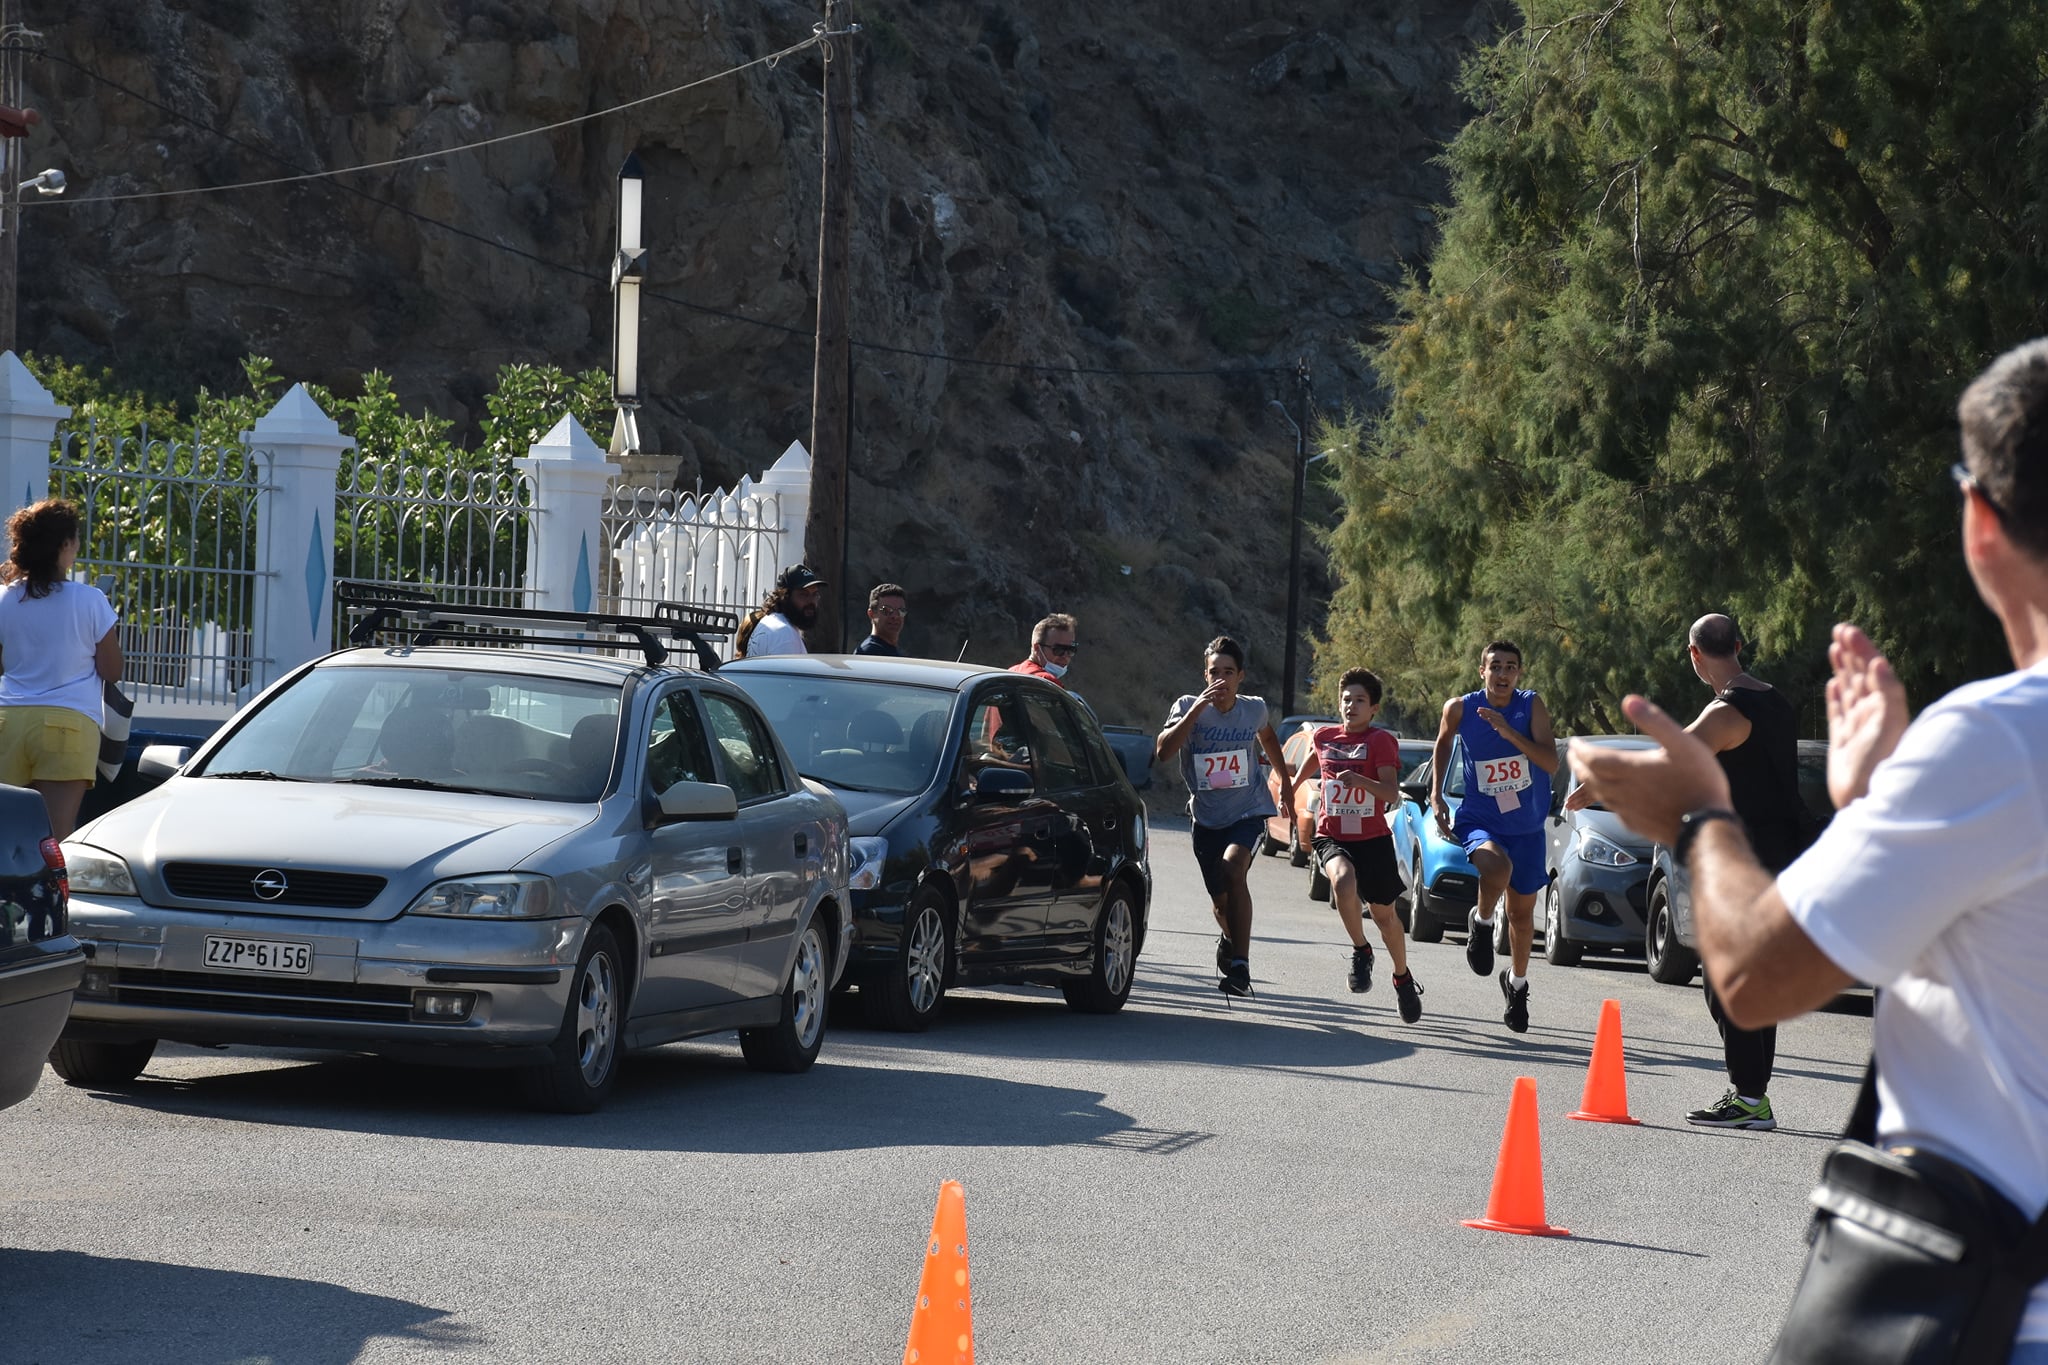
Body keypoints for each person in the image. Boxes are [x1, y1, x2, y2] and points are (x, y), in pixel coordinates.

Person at [1568, 337, 2048, 1361]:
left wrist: (1699, 815)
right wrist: (1873, 802)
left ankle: (1745, 1095)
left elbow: (1755, 977)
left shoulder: (2000, 742)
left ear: (1978, 520)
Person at [1673, 613, 1813, 1129]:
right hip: (1781, 856)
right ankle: (1752, 1095)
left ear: (1695, 655)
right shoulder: (1777, 702)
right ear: (1738, 644)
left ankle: (1750, 1096)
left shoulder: (1727, 712)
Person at [1429, 639, 1559, 1033]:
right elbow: (1443, 742)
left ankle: (1516, 984)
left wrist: (1508, 732)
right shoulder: (1460, 708)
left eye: (1510, 667)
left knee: (1521, 915)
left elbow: (1550, 762)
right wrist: (1436, 794)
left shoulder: (1530, 705)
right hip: (1481, 817)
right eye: (1495, 666)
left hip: (1527, 826)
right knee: (1496, 867)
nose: (1503, 674)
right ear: (1482, 670)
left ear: (1519, 673)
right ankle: (1483, 922)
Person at [1156, 636, 1291, 998]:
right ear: (1205, 675)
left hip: (1248, 810)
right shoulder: (1187, 706)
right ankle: (1230, 937)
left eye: (1228, 672)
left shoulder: (1254, 709)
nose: (1221, 679)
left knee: (1234, 869)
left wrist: (1286, 784)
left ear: (1240, 676)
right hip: (1206, 818)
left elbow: (1268, 739)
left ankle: (1241, 967)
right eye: (1214, 672)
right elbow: (1164, 751)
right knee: (1220, 904)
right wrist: (1196, 711)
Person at [1288, 667, 1424, 1022]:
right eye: (1346, 699)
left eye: (1360, 700)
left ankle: (1402, 977)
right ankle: (1361, 950)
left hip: (1373, 839)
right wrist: (1291, 789)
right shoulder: (1324, 736)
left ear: (1373, 707)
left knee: (1385, 916)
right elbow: (1311, 762)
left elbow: (1390, 793)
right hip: (1332, 833)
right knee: (1342, 880)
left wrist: (1360, 781)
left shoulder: (1380, 741)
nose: (1351, 705)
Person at [0, 498, 123, 839]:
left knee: (7, 835)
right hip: (68, 725)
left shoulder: (5, 598)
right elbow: (112, 670)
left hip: (7, 722)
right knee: (55, 837)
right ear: (65, 545)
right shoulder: (90, 599)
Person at [736, 563, 825, 658]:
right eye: (803, 594)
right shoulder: (785, 634)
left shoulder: (773, 623)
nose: (811, 601)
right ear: (785, 596)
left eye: (815, 594)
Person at [1010, 614, 1077, 686]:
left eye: (1071, 650)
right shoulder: (1046, 681)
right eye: (1059, 649)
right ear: (1037, 648)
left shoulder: (1012, 672)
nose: (1065, 656)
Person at [856, 583, 908, 656]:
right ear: (871, 614)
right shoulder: (869, 652)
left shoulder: (894, 652)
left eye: (901, 610)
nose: (895, 616)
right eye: (886, 610)